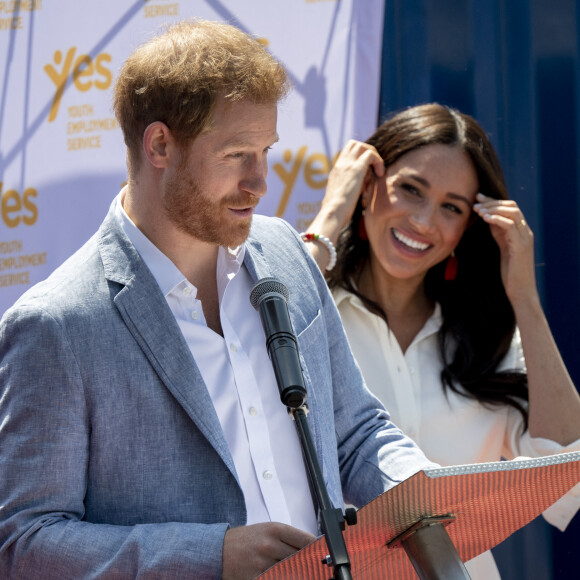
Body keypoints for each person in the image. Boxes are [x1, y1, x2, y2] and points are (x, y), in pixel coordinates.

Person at [0, 20, 439, 580]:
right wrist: (211, 556)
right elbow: (24, 541)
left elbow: (354, 433)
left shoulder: (282, 250)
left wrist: (425, 490)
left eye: (265, 152)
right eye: (236, 155)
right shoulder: (55, 324)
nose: (260, 182)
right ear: (159, 144)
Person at [303, 103, 580, 578]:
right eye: (410, 190)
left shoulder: (483, 338)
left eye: (451, 207)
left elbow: (564, 472)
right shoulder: (307, 313)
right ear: (367, 186)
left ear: (465, 229)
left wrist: (524, 297)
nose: (425, 222)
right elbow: (252, 339)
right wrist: (330, 217)